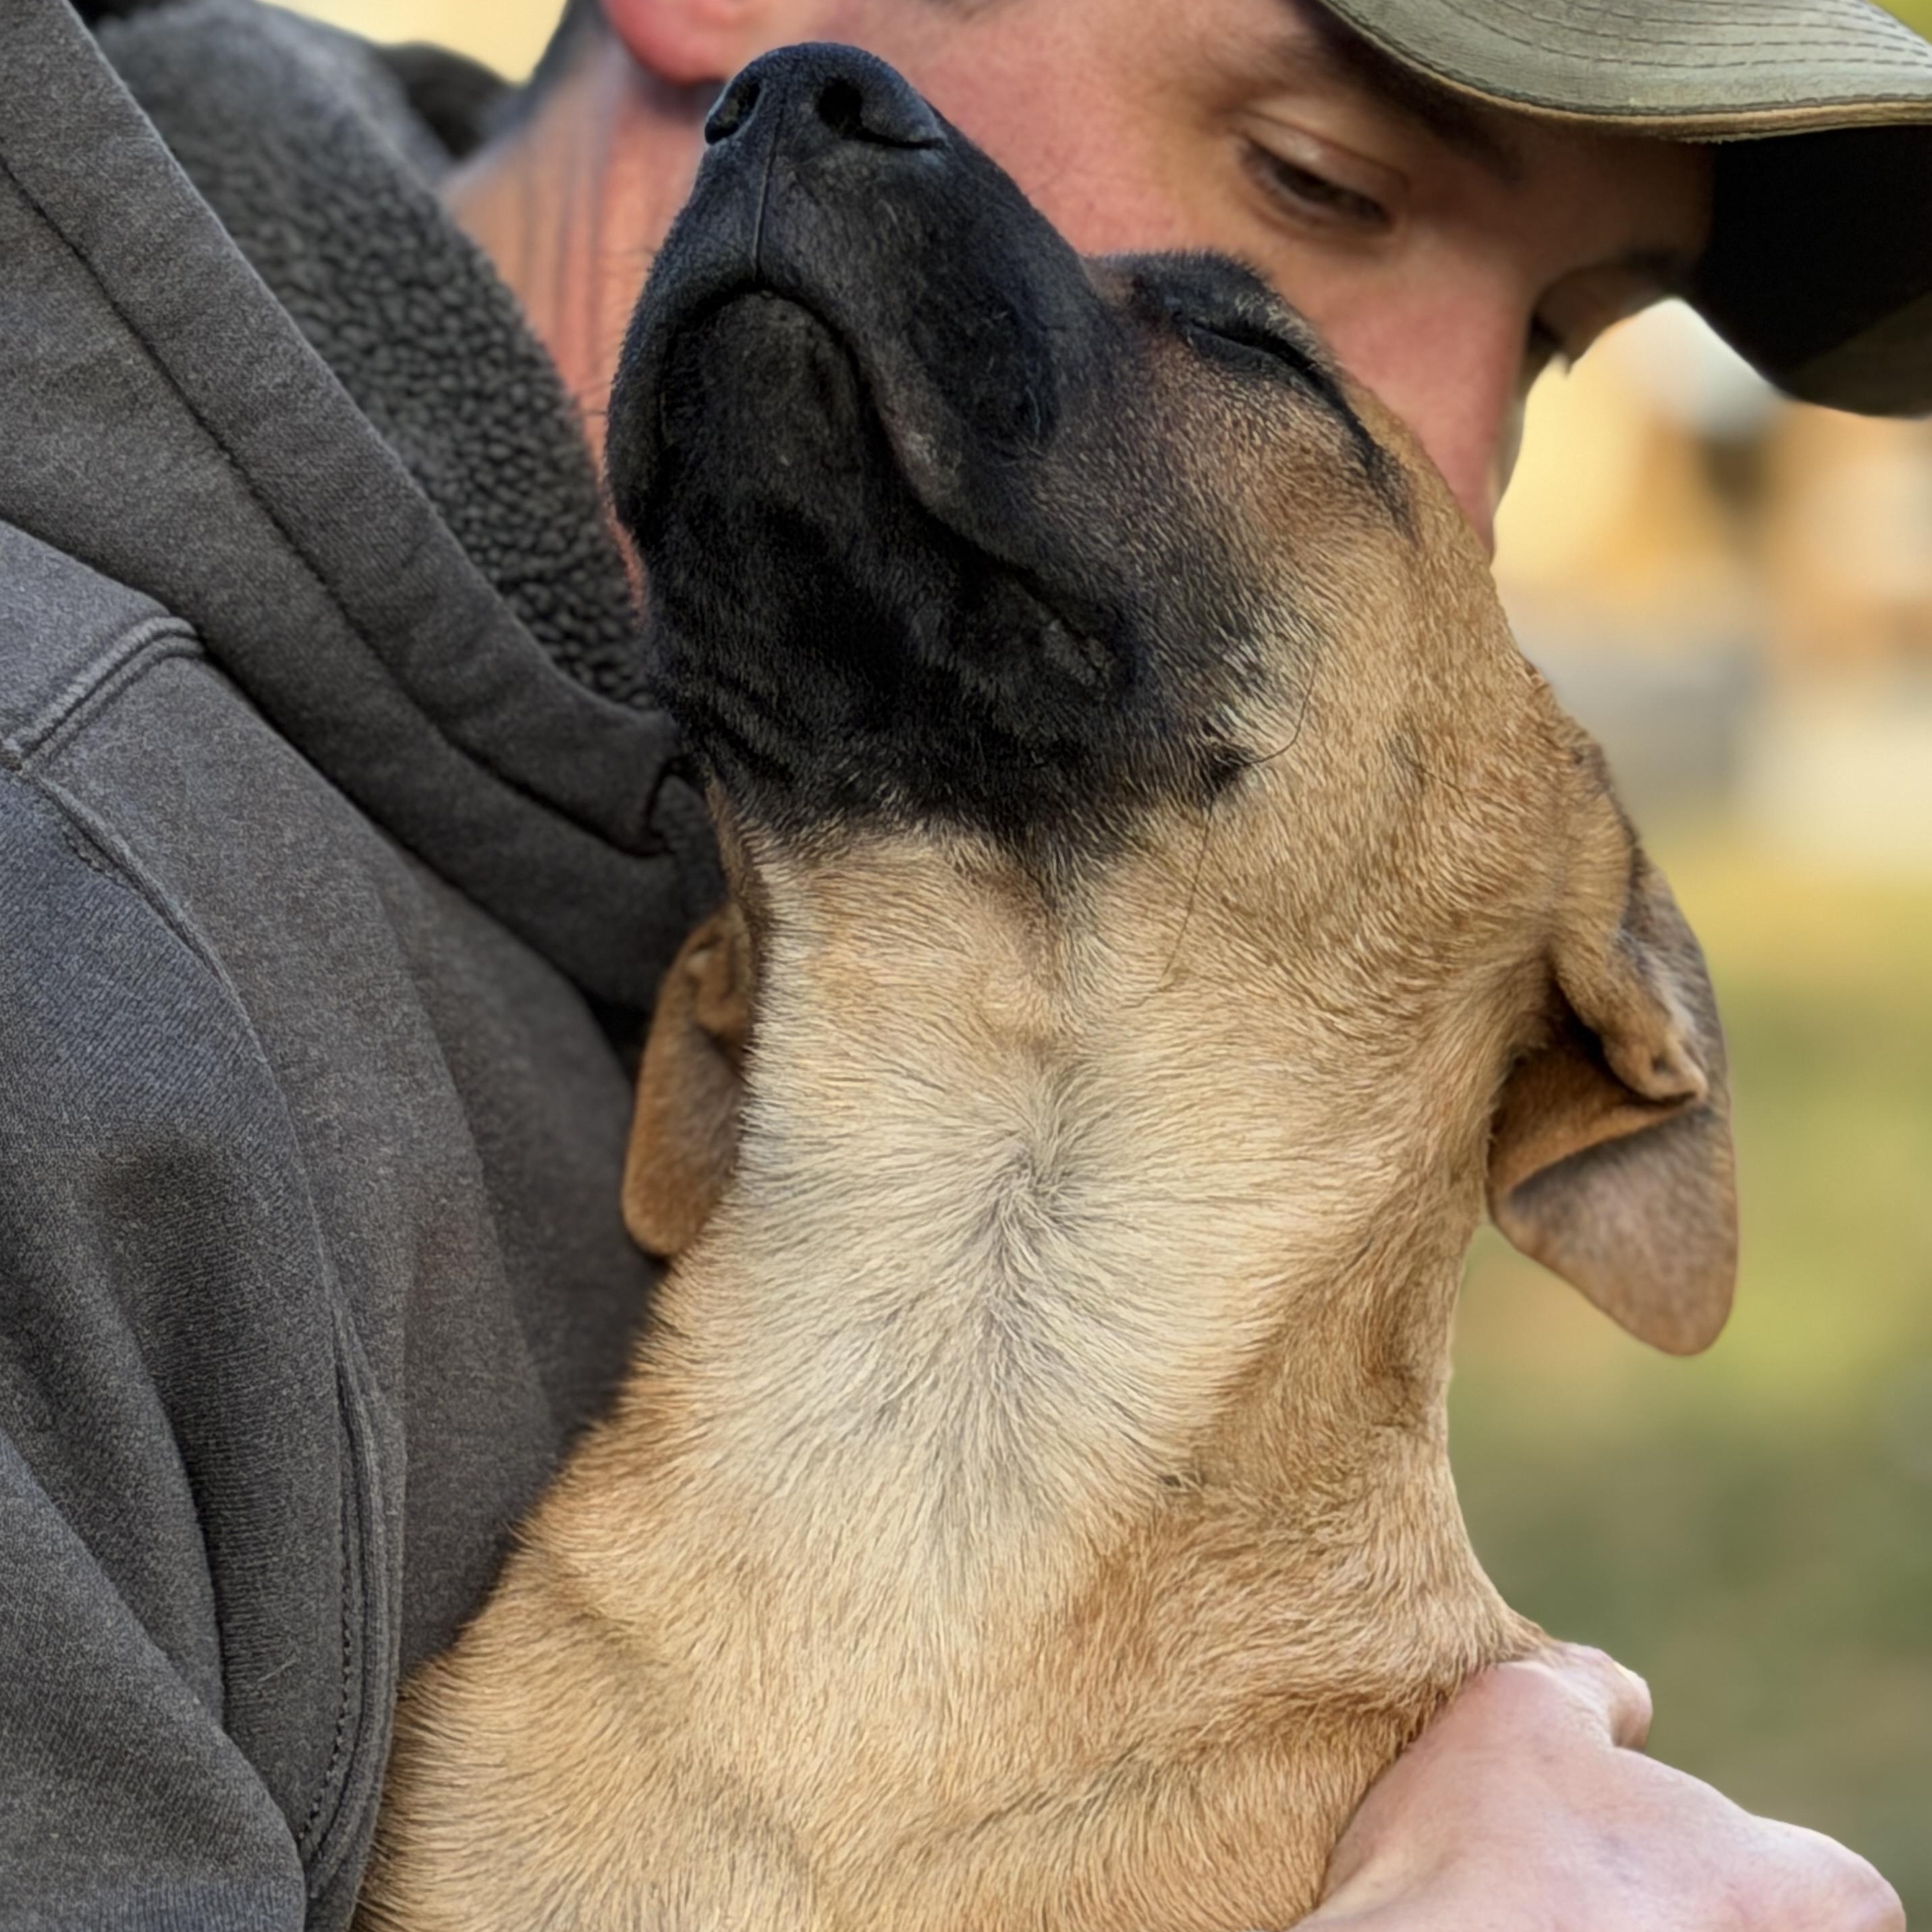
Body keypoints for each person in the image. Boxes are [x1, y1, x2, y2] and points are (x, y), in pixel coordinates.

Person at [0, 0, 1923, 1925]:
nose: (1464, 449)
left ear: (1586, 1004)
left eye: (1557, 343)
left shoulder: (1480, 1833)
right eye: (1316, 182)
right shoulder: (67, 908)